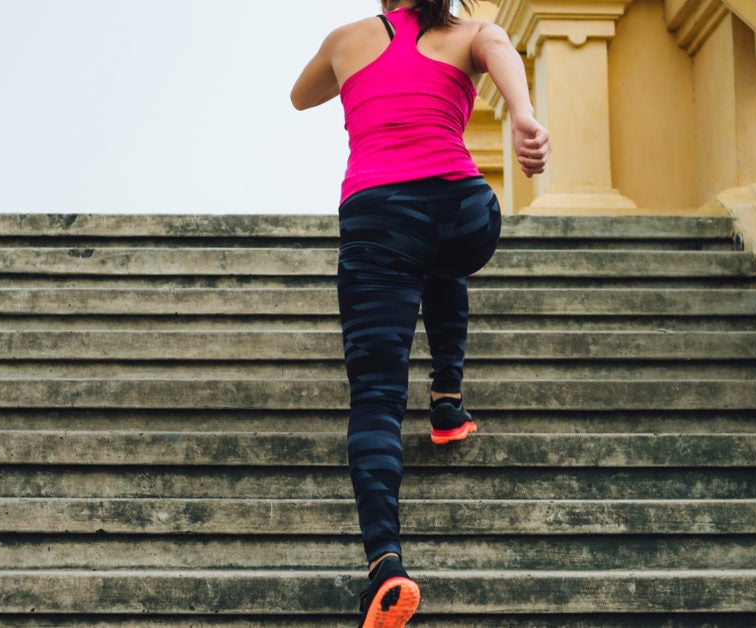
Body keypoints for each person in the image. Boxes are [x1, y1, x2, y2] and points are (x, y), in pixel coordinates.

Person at [291, 0, 550, 625]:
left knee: (376, 397)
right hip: (465, 212)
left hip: (380, 215)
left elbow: (302, 97)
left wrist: (355, 65)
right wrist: (523, 117)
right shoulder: (472, 32)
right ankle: (446, 400)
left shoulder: (347, 38)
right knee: (439, 258)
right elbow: (503, 53)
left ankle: (385, 565)